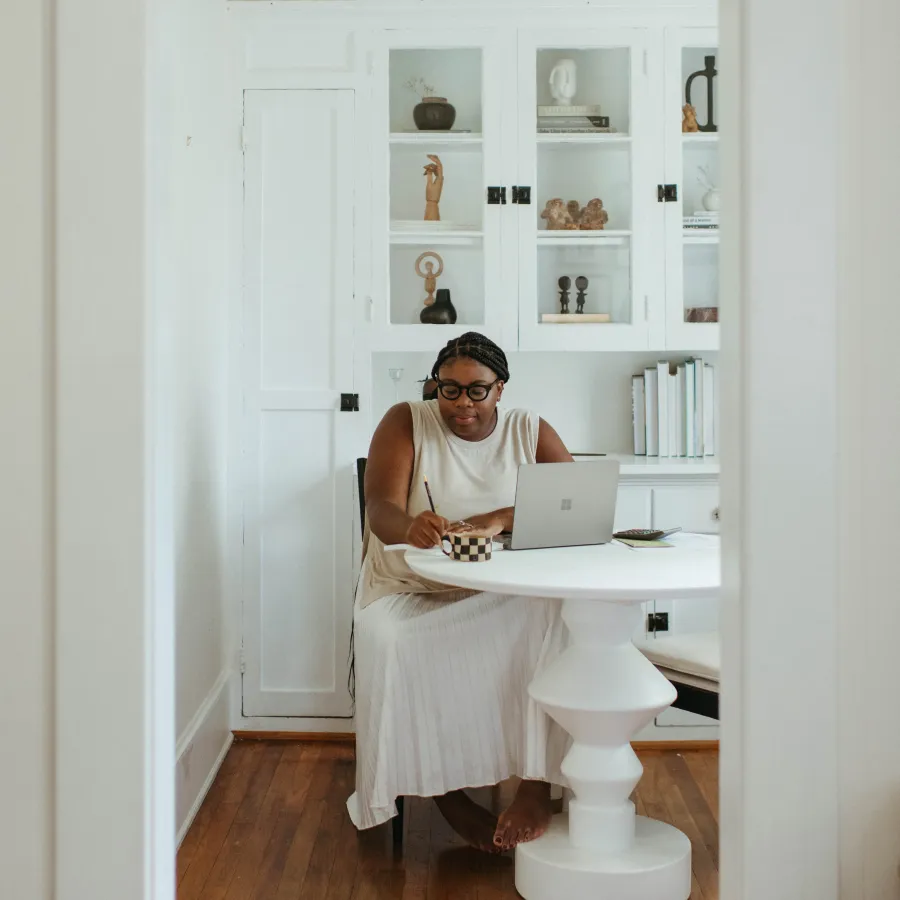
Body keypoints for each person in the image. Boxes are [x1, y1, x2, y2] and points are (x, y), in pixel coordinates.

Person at [346, 332, 575, 853]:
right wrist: (410, 527)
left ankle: (535, 786)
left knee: (555, 624)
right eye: (449, 390)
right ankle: (445, 794)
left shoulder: (527, 429)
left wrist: (500, 518)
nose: (462, 404)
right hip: (410, 583)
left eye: (477, 391)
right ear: (435, 388)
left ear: (501, 389)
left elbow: (574, 503)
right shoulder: (406, 420)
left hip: (500, 587)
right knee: (399, 644)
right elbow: (379, 508)